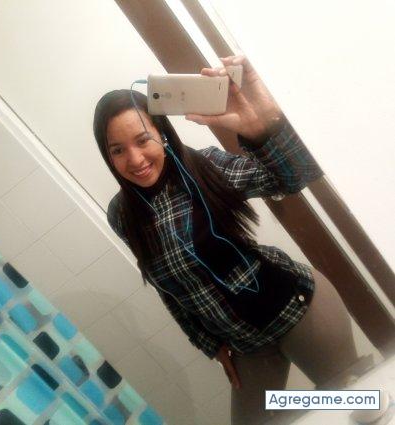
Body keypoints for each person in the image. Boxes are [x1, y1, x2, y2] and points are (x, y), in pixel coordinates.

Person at [93, 55, 360, 424]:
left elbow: (295, 175)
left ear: (162, 134)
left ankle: (330, 401)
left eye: (143, 140)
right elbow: (168, 289)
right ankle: (315, 406)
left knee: (355, 402)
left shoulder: (204, 166)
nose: (135, 158)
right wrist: (210, 344)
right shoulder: (122, 215)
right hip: (247, 344)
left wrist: (262, 126)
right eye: (118, 150)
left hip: (298, 307)